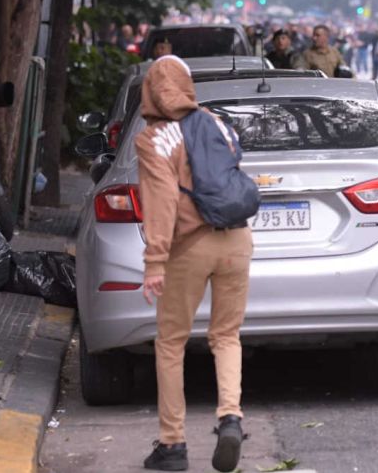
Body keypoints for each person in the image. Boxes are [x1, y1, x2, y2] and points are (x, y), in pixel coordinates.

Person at [135, 55, 253, 472]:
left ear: (150, 89)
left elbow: (163, 200)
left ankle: (172, 445)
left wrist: (155, 261)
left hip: (190, 245)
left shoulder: (153, 139)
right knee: (226, 334)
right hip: (237, 237)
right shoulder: (215, 121)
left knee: (170, 343)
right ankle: (230, 417)